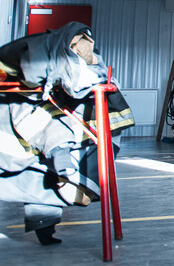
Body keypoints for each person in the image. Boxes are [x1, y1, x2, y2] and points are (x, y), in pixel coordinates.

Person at [0, 23, 133, 245]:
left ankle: (47, 222)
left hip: (30, 116)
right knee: (52, 152)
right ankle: (62, 176)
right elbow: (35, 74)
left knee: (47, 164)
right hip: (19, 114)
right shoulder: (42, 51)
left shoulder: (55, 51)